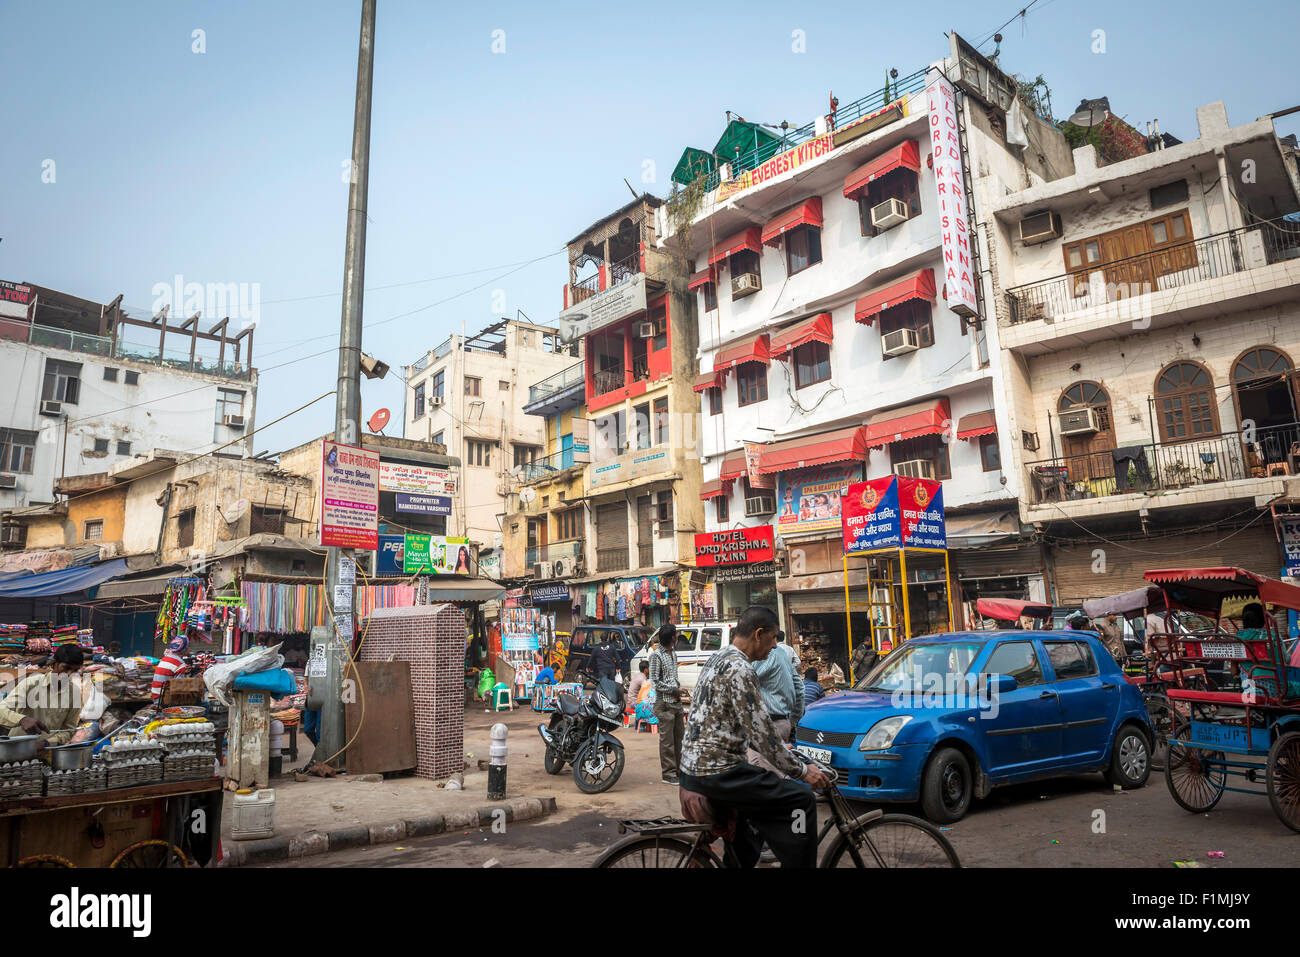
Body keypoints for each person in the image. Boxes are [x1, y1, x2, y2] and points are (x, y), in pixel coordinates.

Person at [679, 605, 832, 868]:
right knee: (802, 799)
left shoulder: (718, 658)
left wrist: (783, 751)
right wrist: (802, 771)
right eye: (773, 638)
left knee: (747, 832)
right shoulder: (741, 669)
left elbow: (742, 726)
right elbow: (762, 734)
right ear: (759, 634)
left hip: (693, 769)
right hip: (720, 773)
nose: (774, 646)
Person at [0, 645, 86, 749]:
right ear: (53, 664)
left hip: (47, 753)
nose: (69, 674)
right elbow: (2, 710)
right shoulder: (31, 684)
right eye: (66, 668)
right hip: (16, 749)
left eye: (75, 671)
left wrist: (47, 743)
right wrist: (22, 719)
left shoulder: (74, 694)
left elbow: (68, 730)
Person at [752, 631, 802, 765]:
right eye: (773, 639)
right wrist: (792, 721)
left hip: (768, 725)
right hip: (782, 722)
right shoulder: (783, 653)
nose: (774, 644)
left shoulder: (764, 656)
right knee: (777, 771)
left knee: (768, 775)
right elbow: (800, 688)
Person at [648, 623, 684, 785]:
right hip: (664, 703)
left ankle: (679, 770)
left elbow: (671, 677)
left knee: (680, 739)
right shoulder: (657, 656)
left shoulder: (673, 653)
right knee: (667, 741)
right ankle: (668, 774)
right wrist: (672, 690)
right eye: (675, 634)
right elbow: (655, 681)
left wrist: (678, 689)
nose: (677, 637)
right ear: (671, 637)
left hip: (676, 702)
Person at [150, 631, 193, 702]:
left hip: (156, 698)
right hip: (164, 701)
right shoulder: (180, 664)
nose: (190, 648)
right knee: (204, 703)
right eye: (188, 646)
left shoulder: (165, 658)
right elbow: (178, 690)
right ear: (184, 649)